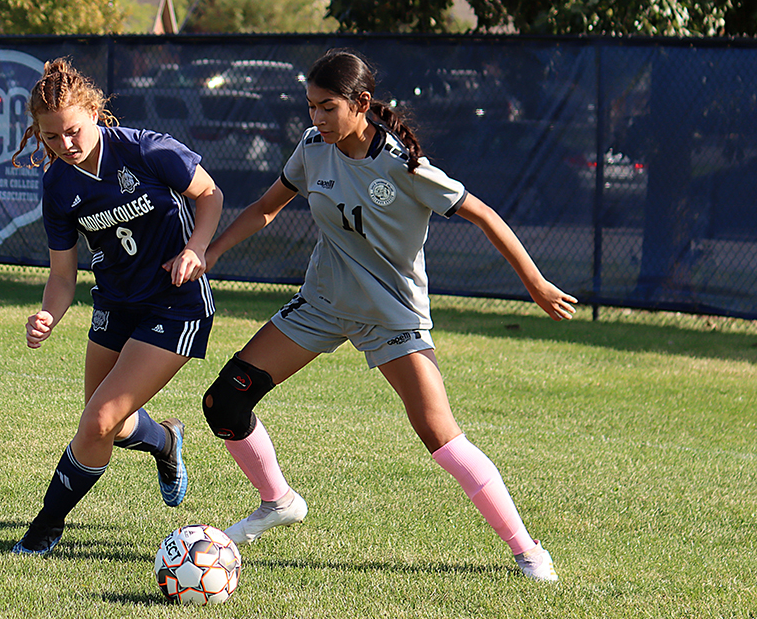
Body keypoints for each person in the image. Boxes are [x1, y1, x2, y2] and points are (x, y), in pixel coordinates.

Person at [201, 49, 576, 581]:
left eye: (328, 107)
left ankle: (528, 551)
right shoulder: (313, 149)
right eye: (311, 107)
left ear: (362, 103)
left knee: (439, 435)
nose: (317, 119)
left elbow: (484, 214)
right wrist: (212, 253)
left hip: (391, 317)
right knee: (224, 400)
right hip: (323, 305)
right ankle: (278, 502)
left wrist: (535, 284)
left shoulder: (405, 166)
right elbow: (266, 207)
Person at [9, 58, 223, 556]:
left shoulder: (145, 150)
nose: (66, 144)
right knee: (105, 423)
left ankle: (45, 528)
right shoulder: (58, 186)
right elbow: (63, 276)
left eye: (73, 130)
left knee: (99, 420)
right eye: (52, 138)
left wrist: (196, 248)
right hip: (115, 304)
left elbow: (209, 193)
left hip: (176, 303)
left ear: (94, 111)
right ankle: (166, 441)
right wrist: (47, 315)